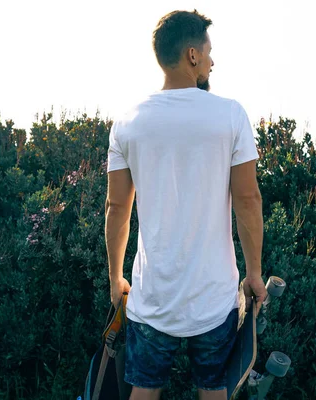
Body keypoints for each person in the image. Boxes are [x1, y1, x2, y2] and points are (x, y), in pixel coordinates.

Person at [104, 9, 267, 400]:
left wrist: (115, 279)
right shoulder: (230, 114)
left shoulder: (128, 121)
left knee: (142, 391)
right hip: (213, 301)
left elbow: (116, 207)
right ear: (192, 55)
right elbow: (248, 200)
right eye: (209, 51)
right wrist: (254, 274)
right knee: (213, 392)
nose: (213, 60)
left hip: (150, 299)